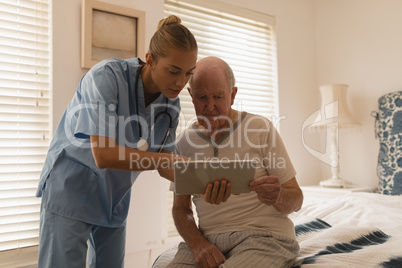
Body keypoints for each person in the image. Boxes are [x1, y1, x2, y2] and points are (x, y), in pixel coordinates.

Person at [35, 15, 199, 268]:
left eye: (189, 73)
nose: (181, 82)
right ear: (151, 59)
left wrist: (204, 178)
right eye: (174, 71)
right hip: (71, 188)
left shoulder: (170, 105)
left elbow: (166, 166)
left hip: (114, 196)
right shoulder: (107, 77)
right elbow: (104, 155)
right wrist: (167, 160)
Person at [162, 56, 304, 268]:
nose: (210, 106)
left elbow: (297, 199)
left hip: (264, 237)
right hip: (208, 240)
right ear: (191, 96)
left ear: (233, 94)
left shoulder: (260, 129)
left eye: (218, 97)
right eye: (201, 97)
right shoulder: (184, 142)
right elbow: (181, 210)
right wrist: (198, 243)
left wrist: (279, 196)